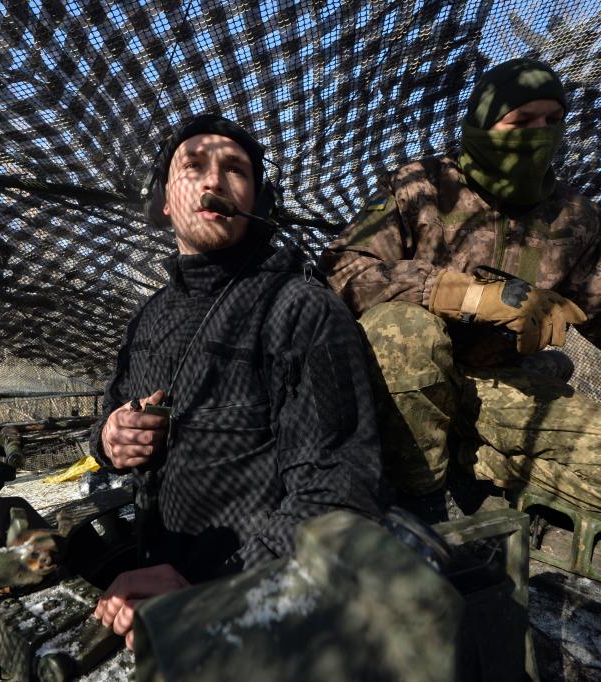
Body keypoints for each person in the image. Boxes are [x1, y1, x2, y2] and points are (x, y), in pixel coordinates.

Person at [320, 58, 601, 518]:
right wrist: (467, 296)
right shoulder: (420, 186)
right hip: (398, 380)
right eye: (521, 121)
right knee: (403, 329)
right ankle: (419, 500)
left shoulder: (574, 219)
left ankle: (470, 458)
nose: (538, 135)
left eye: (552, 121)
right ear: (484, 124)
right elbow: (344, 271)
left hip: (495, 384)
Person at [91, 114, 383, 649]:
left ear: (258, 201)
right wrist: (110, 439)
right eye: (193, 166)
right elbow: (106, 418)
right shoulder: (148, 318)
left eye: (235, 169)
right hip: (150, 600)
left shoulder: (299, 310)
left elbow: (338, 494)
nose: (214, 180)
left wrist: (216, 592)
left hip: (260, 614)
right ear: (163, 200)